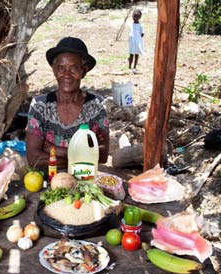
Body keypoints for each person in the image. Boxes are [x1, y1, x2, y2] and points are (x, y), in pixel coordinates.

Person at [25, 37, 110, 171]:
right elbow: (34, 159)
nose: (67, 74)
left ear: (84, 71)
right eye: (61, 68)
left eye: (73, 68)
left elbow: (103, 155)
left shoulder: (96, 106)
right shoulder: (41, 106)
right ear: (54, 70)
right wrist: (84, 153)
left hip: (85, 180)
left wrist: (53, 149)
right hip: (48, 181)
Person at [128, 9, 145, 74]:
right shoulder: (130, 24)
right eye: (133, 16)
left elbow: (142, 33)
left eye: (136, 17)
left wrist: (138, 39)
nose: (134, 18)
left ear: (139, 17)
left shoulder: (141, 25)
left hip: (137, 42)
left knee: (136, 54)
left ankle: (134, 66)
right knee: (131, 54)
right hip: (132, 42)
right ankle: (129, 66)